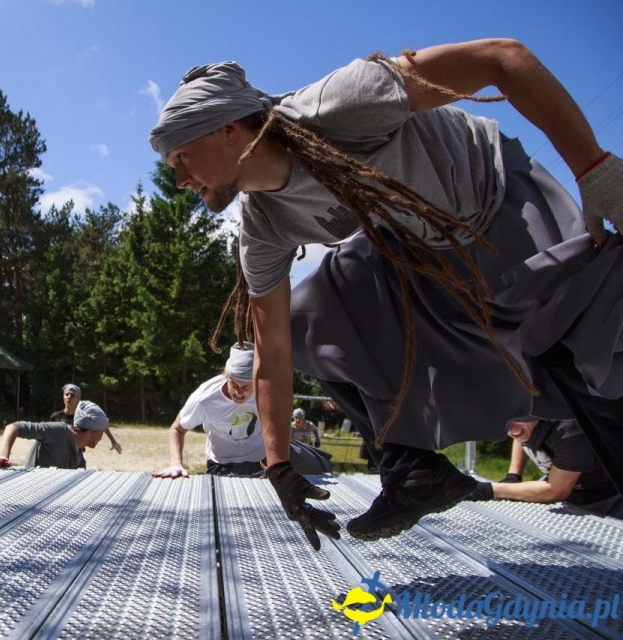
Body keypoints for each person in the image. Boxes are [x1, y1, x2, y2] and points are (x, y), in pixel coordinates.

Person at [149, 39, 623, 548]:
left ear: (228, 129)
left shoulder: (340, 104)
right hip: (426, 262)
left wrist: (593, 168)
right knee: (311, 317)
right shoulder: (263, 227)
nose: (177, 178)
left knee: (584, 368)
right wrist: (281, 465)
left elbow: (502, 58)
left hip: (499, 210)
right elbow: (274, 352)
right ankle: (413, 472)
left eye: (182, 155)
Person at [152, 342, 332, 479]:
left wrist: (277, 465)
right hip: (225, 464)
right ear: (226, 376)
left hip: (264, 458)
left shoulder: (267, 390)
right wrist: (176, 463)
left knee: (322, 472)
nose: (239, 392)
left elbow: (280, 425)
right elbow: (177, 429)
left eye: (246, 386)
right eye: (234, 384)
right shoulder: (204, 399)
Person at [467, 419, 623, 519]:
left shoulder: (569, 431)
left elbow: (555, 490)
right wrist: (514, 474)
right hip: (572, 497)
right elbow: (520, 436)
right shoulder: (524, 421)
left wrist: (488, 490)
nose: (510, 430)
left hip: (607, 503)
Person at [0, 400, 110, 469]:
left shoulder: (79, 454)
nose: (101, 437)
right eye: (102, 431)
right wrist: (3, 456)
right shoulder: (59, 431)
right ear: (93, 430)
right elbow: (13, 427)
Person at [51, 383, 123, 454]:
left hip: (78, 454)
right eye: (66, 394)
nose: (68, 397)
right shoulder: (55, 416)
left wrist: (113, 441)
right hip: (60, 453)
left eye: (72, 395)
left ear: (78, 398)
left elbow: (100, 424)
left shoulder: (83, 416)